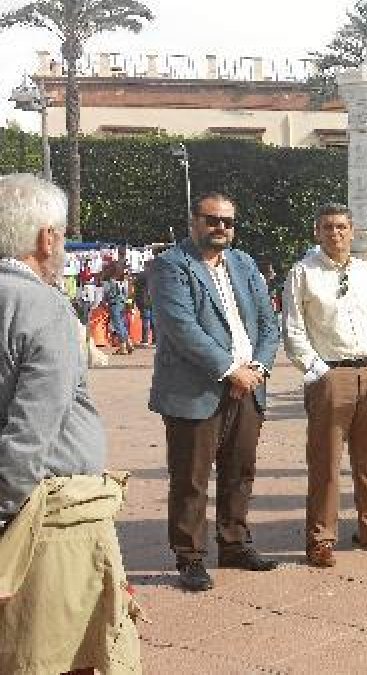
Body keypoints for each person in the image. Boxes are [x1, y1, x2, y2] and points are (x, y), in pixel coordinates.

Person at [0, 174, 141, 673]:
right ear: (47, 238)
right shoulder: (43, 307)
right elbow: (31, 430)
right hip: (48, 517)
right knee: (56, 654)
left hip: (32, 507)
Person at [148, 191, 282, 591]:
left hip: (248, 386)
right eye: (212, 219)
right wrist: (230, 370)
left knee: (240, 472)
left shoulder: (244, 264)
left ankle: (235, 543)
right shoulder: (171, 265)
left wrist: (256, 367)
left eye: (227, 221)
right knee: (190, 478)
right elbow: (182, 328)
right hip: (196, 389)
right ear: (194, 222)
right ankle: (189, 557)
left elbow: (267, 323)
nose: (220, 227)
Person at [283, 204, 367, 568]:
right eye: (327, 227)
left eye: (341, 227)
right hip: (331, 374)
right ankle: (321, 537)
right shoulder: (303, 273)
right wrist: (316, 369)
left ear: (353, 231)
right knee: (326, 462)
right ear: (317, 232)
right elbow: (293, 327)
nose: (335, 233)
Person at [104, 262, 134, 355]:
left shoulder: (109, 282)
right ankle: (129, 343)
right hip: (122, 304)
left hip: (114, 304)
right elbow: (127, 294)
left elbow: (106, 294)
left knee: (118, 325)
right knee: (122, 324)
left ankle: (123, 347)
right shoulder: (123, 282)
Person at [133, 269, 155, 346]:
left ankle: (145, 340)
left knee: (145, 321)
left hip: (144, 301)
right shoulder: (155, 275)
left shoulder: (141, 276)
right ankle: (155, 340)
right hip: (153, 301)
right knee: (153, 321)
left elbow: (136, 290)